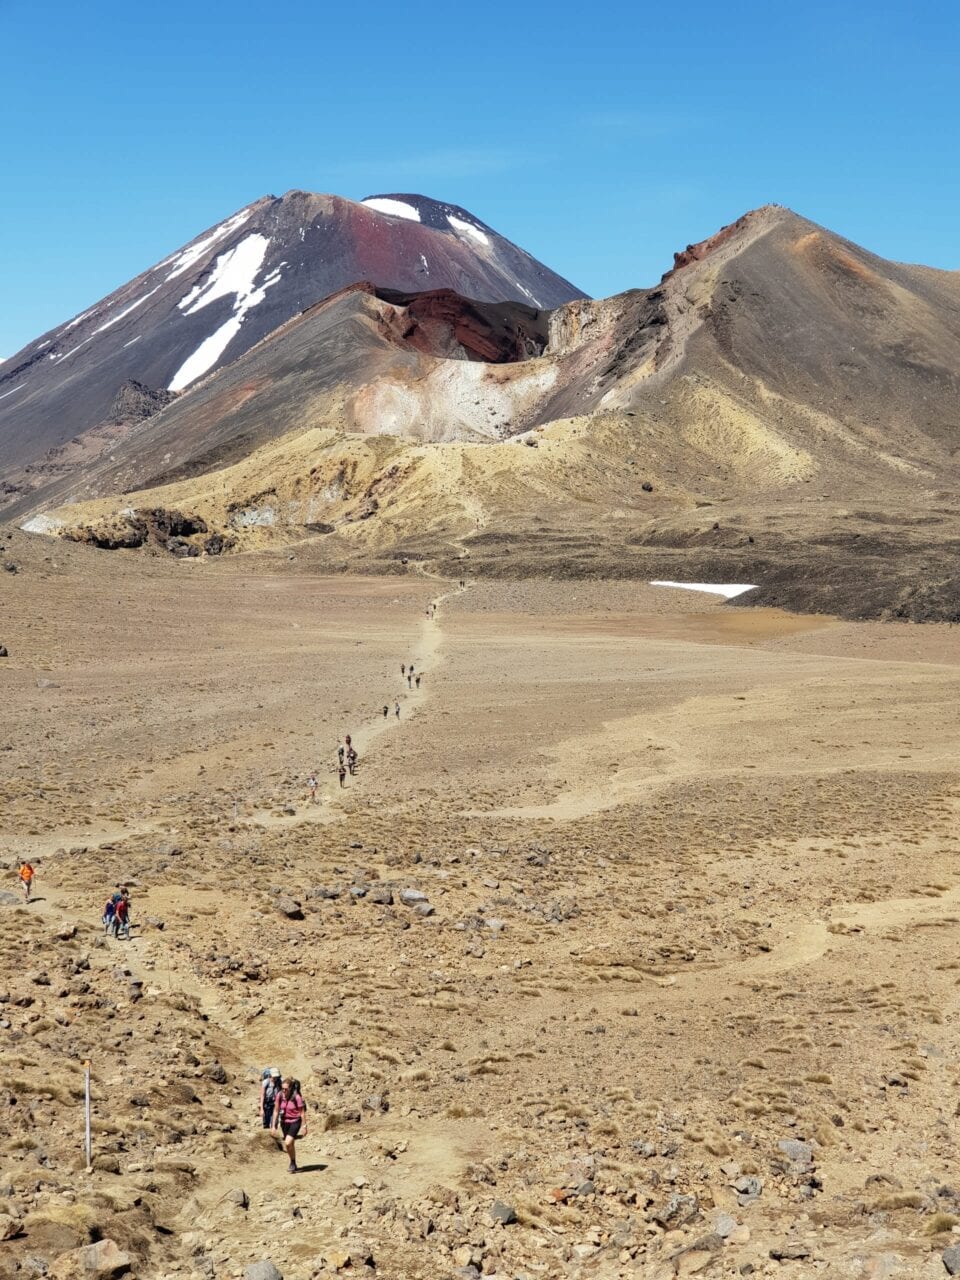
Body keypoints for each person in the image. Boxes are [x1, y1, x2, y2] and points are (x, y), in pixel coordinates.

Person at [273, 1077, 308, 1172]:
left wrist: (304, 1126)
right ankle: (293, 1163)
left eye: (286, 1089)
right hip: (284, 1122)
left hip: (295, 1121)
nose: (284, 1091)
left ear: (291, 1088)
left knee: (287, 1142)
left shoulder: (296, 1097)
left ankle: (292, 1163)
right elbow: (276, 1111)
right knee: (290, 1145)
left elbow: (302, 1113)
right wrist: (273, 1126)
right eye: (282, 1088)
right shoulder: (279, 1095)